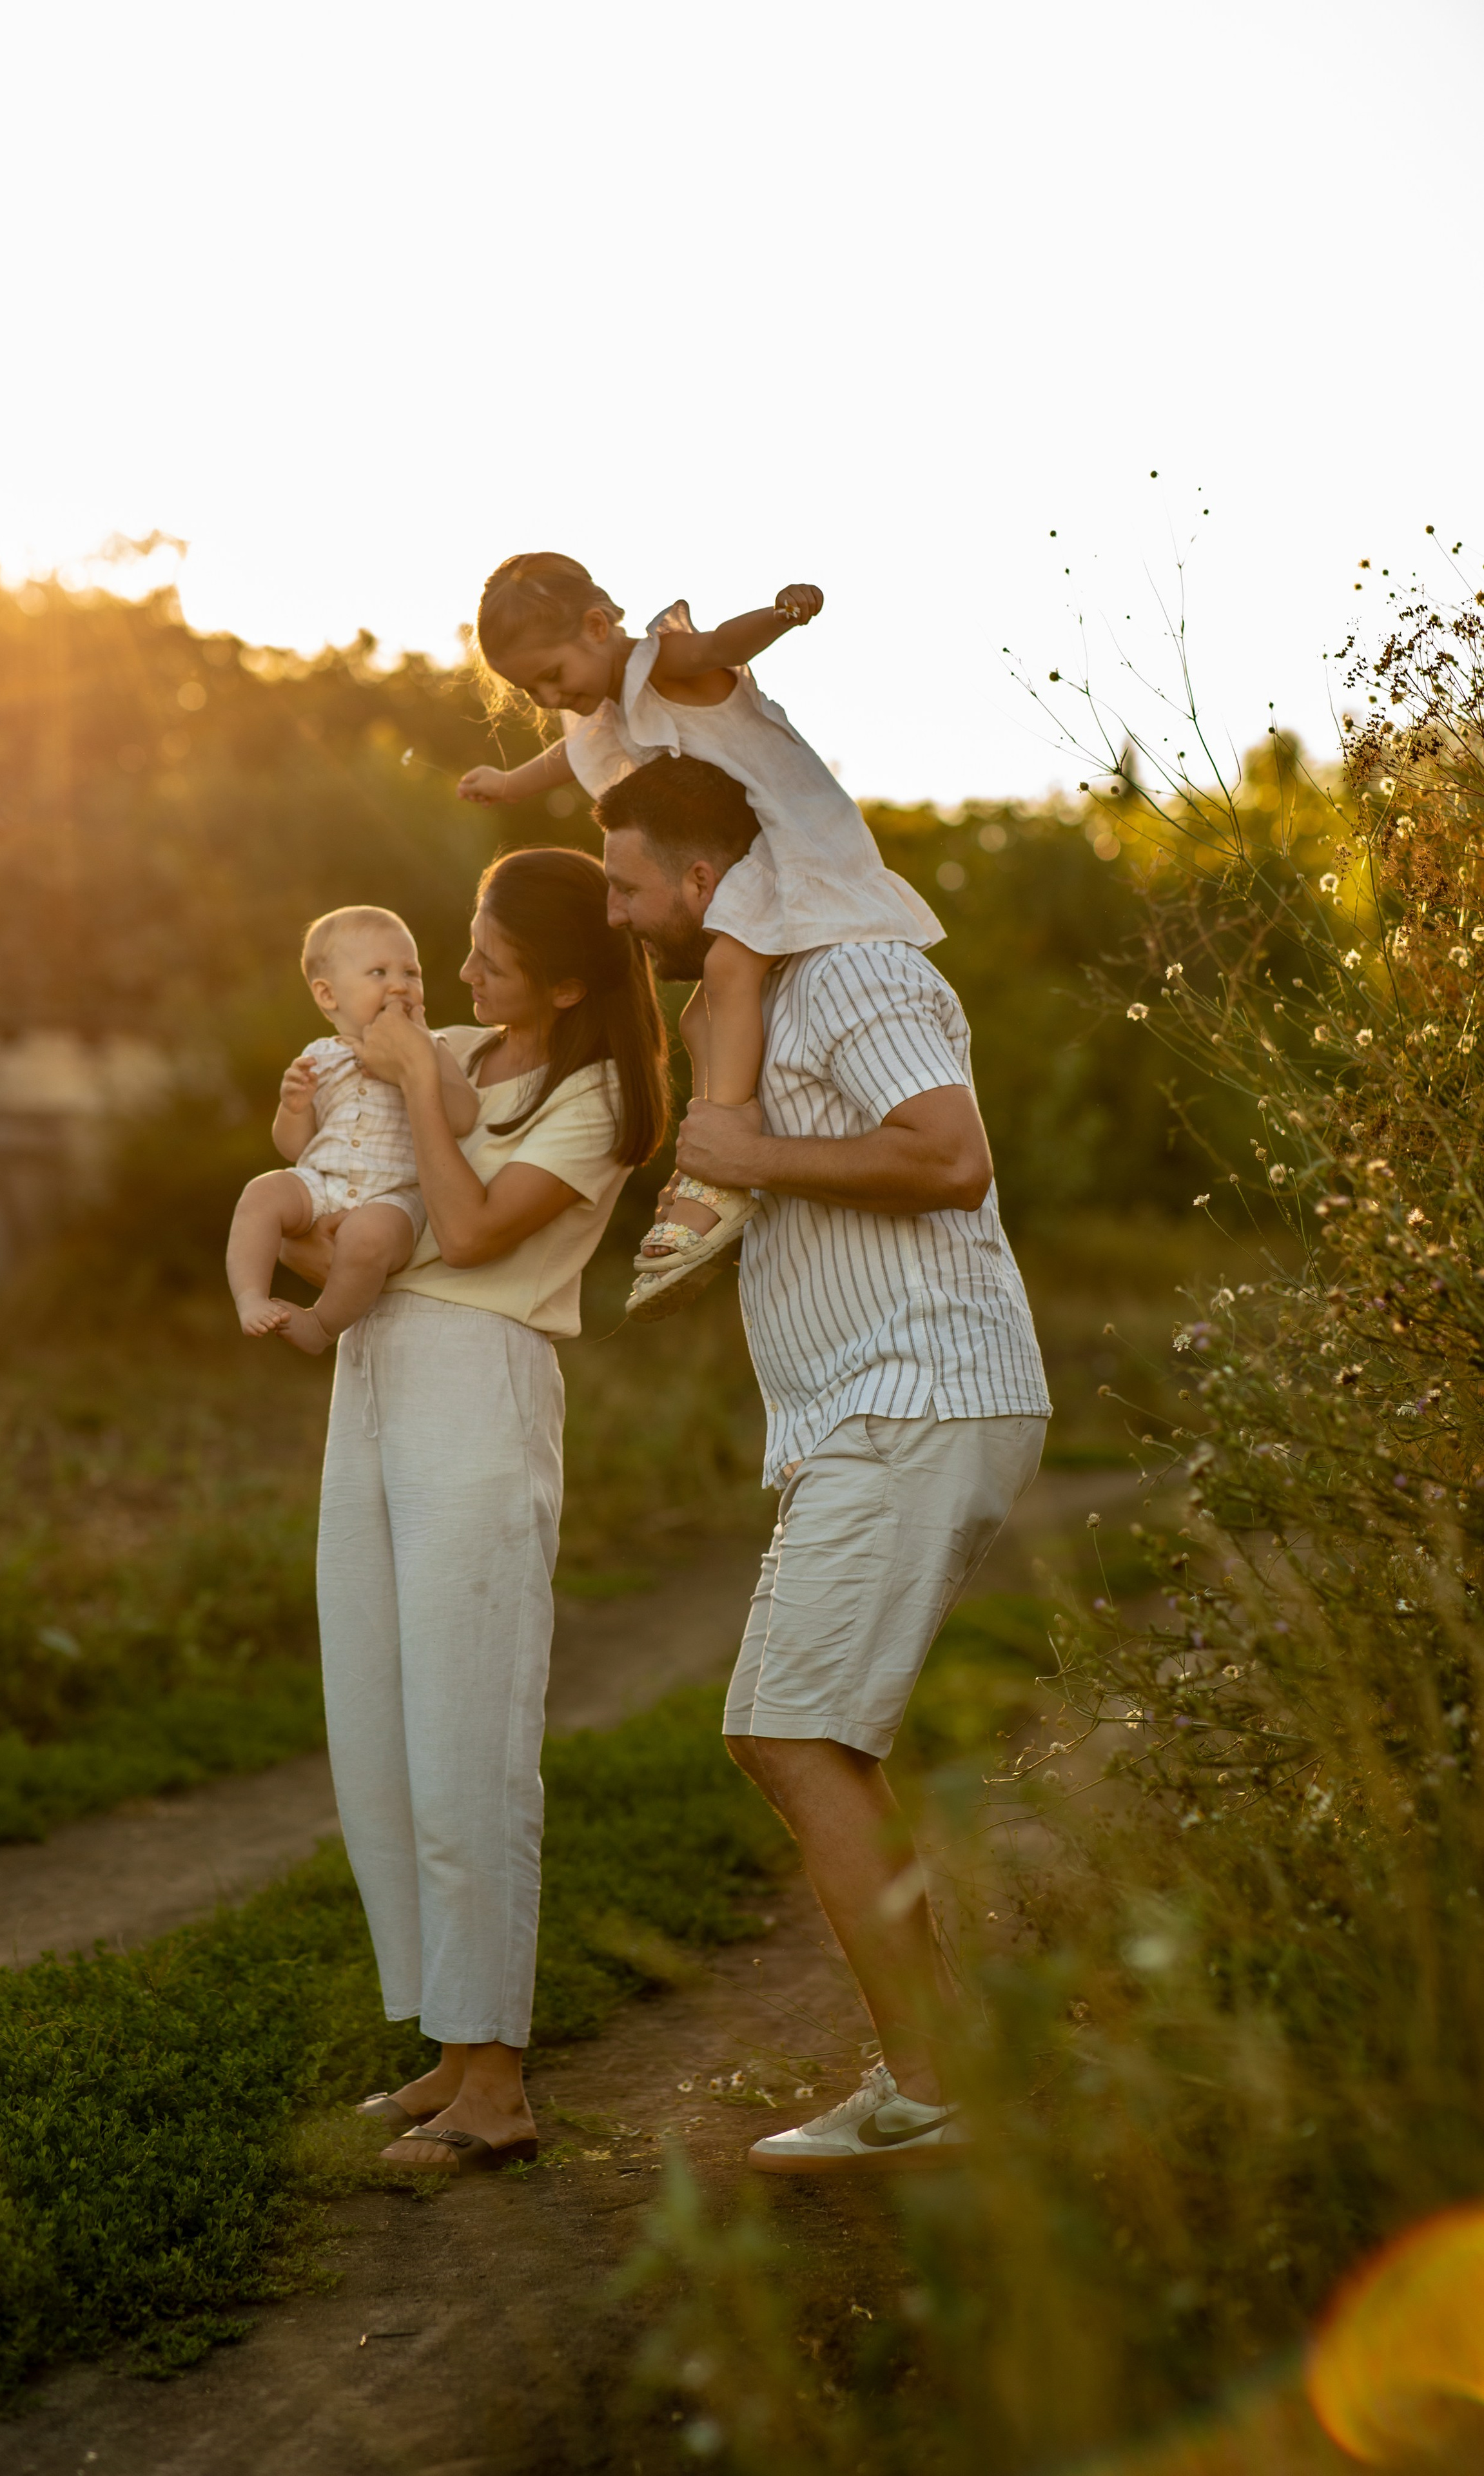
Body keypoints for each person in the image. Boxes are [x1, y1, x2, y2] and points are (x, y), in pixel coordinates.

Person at [596, 754, 1053, 2174]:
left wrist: (751, 1152)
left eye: (625, 885)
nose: (617, 916)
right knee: (795, 1733)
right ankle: (942, 2063)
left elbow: (949, 1156)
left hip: (916, 1388)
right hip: (870, 1403)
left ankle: (936, 2082)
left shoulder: (847, 973)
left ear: (698, 876)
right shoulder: (770, 992)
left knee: (788, 1733)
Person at [284, 848, 668, 2173]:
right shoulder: (444, 1043)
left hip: (479, 1384)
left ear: (566, 979)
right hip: (373, 1368)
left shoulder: (600, 1096)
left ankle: (497, 2082)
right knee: (380, 1718)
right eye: (462, 948)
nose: (457, 977)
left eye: (491, 961)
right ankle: (446, 2046)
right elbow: (343, 1210)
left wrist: (415, 1105)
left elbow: (477, 1229)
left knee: (469, 1732)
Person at [456, 552, 943, 1318]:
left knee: (728, 971)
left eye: (552, 673)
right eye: (530, 689)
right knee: (696, 1013)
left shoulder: (664, 663)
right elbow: (569, 750)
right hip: (739, 848)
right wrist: (511, 783)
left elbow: (723, 646)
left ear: (596, 626)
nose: (551, 696)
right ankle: (715, 1155)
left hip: (791, 834)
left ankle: (724, 1160)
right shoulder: (601, 707)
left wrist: (783, 614)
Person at [224, 904, 478, 1352]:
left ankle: (322, 1325)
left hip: (394, 1197)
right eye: (378, 972)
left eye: (411, 972)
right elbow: (294, 1148)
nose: (400, 985)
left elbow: (463, 1117)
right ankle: (251, 1296)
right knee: (261, 1193)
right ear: (328, 995)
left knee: (369, 1237)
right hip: (323, 1182)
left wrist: (416, 1064)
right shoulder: (320, 1055)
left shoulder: (431, 1046)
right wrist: (295, 1107)